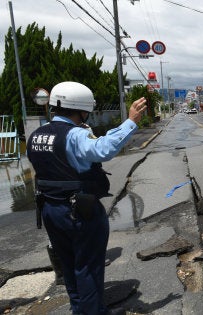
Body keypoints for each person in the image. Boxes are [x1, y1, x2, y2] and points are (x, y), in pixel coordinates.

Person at [27, 81, 147, 314]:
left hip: (50, 209)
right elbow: (103, 148)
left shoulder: (37, 135)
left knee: (69, 265)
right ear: (82, 109)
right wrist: (130, 122)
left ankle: (78, 309)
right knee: (88, 268)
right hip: (79, 211)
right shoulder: (74, 135)